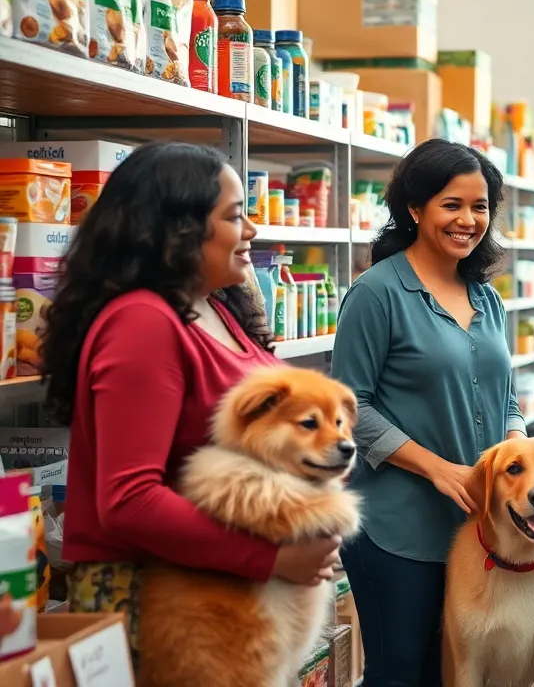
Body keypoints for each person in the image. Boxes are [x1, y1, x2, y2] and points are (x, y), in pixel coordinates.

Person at [45, 142, 341, 665]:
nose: (251, 229)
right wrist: (272, 557)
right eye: (234, 215)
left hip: (223, 597)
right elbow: (130, 500)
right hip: (159, 601)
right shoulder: (142, 323)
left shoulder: (217, 308)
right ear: (178, 228)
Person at [331, 139, 526, 687]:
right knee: (401, 673)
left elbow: (507, 398)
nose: (468, 220)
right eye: (451, 205)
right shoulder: (376, 293)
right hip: (396, 526)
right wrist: (438, 469)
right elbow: (348, 405)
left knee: (456, 673)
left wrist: (517, 446)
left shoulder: (487, 298)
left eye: (480, 206)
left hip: (477, 525)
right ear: (415, 209)